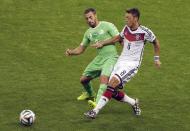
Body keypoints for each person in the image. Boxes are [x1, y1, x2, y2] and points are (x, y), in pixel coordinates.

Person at [84, 8, 161, 119]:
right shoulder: (126, 28)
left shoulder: (144, 32)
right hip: (121, 61)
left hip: (131, 65)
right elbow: (117, 38)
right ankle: (134, 102)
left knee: (111, 84)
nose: (126, 20)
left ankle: (95, 111)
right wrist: (102, 43)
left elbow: (156, 42)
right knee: (112, 90)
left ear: (135, 18)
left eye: (128, 18)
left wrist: (156, 58)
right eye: (125, 17)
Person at [65, 8, 120, 107]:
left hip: (111, 57)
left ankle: (98, 103)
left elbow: (118, 37)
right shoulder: (88, 33)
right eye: (87, 18)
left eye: (90, 17)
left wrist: (102, 43)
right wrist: (71, 52)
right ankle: (90, 95)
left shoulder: (107, 25)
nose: (89, 20)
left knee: (104, 79)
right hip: (99, 59)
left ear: (95, 15)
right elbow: (81, 49)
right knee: (83, 79)